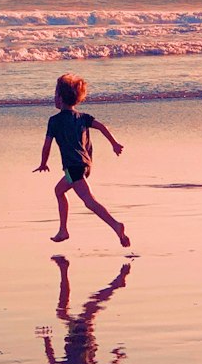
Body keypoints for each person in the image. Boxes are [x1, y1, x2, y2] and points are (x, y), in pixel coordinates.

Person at [34, 73, 131, 247]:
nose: (54, 98)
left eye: (56, 94)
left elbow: (47, 145)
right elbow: (101, 126)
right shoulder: (83, 117)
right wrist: (114, 144)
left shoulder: (54, 121)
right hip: (85, 166)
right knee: (59, 191)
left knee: (89, 201)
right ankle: (63, 230)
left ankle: (116, 225)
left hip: (73, 168)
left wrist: (43, 163)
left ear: (62, 98)